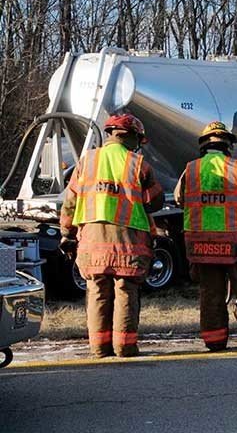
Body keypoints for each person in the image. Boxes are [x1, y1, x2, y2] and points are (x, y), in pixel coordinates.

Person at [59, 113, 164, 358]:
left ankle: (98, 348)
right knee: (125, 290)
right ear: (131, 136)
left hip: (92, 243)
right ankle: (124, 347)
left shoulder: (87, 161)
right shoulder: (138, 164)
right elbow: (154, 201)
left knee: (97, 291)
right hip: (128, 243)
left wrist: (67, 233)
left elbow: (70, 202)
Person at [174, 121, 237, 351]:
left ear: (204, 145)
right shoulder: (236, 167)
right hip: (235, 244)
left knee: (210, 294)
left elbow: (180, 199)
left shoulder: (190, 170)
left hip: (201, 245)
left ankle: (215, 340)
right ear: (227, 145)